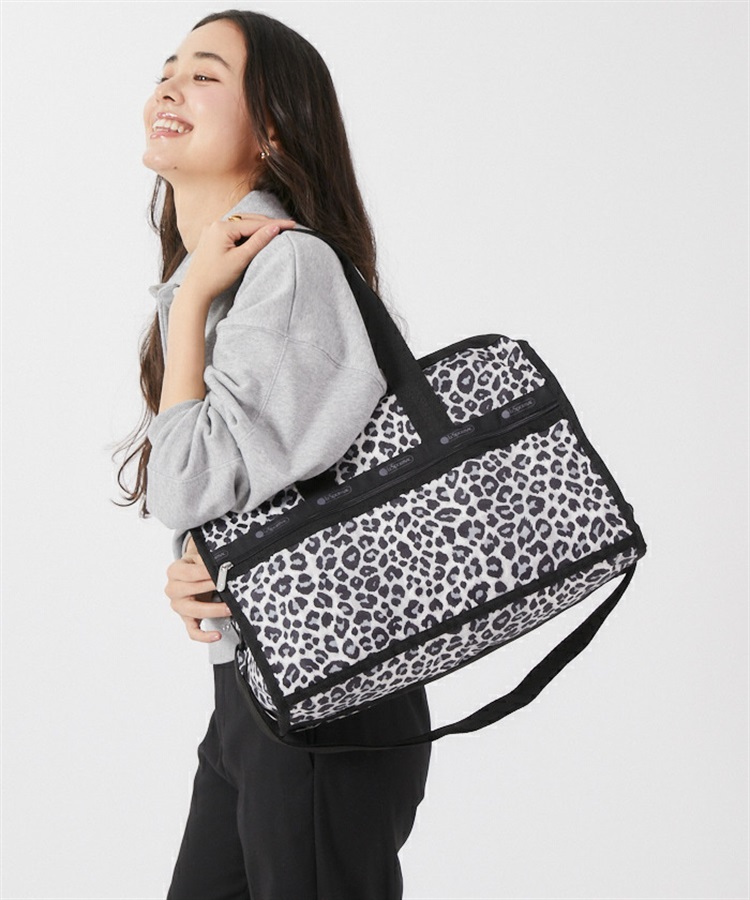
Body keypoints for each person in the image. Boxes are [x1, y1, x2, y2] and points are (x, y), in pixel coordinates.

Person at [118, 9, 432, 900]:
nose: (170, 86)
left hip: (324, 702)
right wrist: (197, 565)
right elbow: (236, 488)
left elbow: (189, 479)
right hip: (259, 699)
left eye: (205, 74)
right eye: (168, 68)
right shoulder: (226, 275)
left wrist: (189, 311)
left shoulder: (284, 268)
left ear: (273, 132)